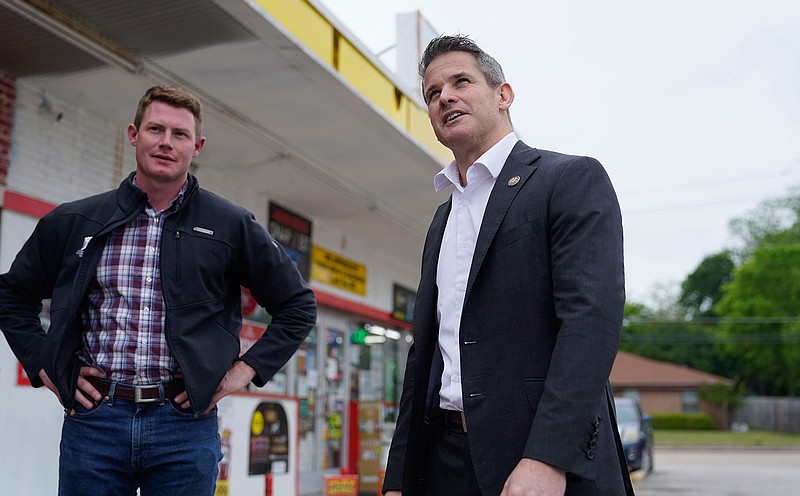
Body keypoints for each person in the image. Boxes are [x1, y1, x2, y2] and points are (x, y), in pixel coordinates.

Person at [0, 85, 317, 495]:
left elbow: (297, 306)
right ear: (134, 135)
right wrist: (45, 364)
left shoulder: (231, 225)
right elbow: (12, 296)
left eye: (180, 134)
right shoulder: (77, 219)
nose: (166, 142)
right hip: (95, 421)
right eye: (156, 129)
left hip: (183, 427)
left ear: (197, 146)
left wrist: (241, 373)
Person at [383, 35, 634, 496]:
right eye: (433, 94)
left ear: (503, 95)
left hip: (537, 461)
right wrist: (399, 477)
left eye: (461, 82)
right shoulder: (442, 218)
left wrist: (547, 456)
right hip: (444, 461)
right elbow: (425, 356)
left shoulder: (569, 179)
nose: (446, 98)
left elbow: (590, 324)